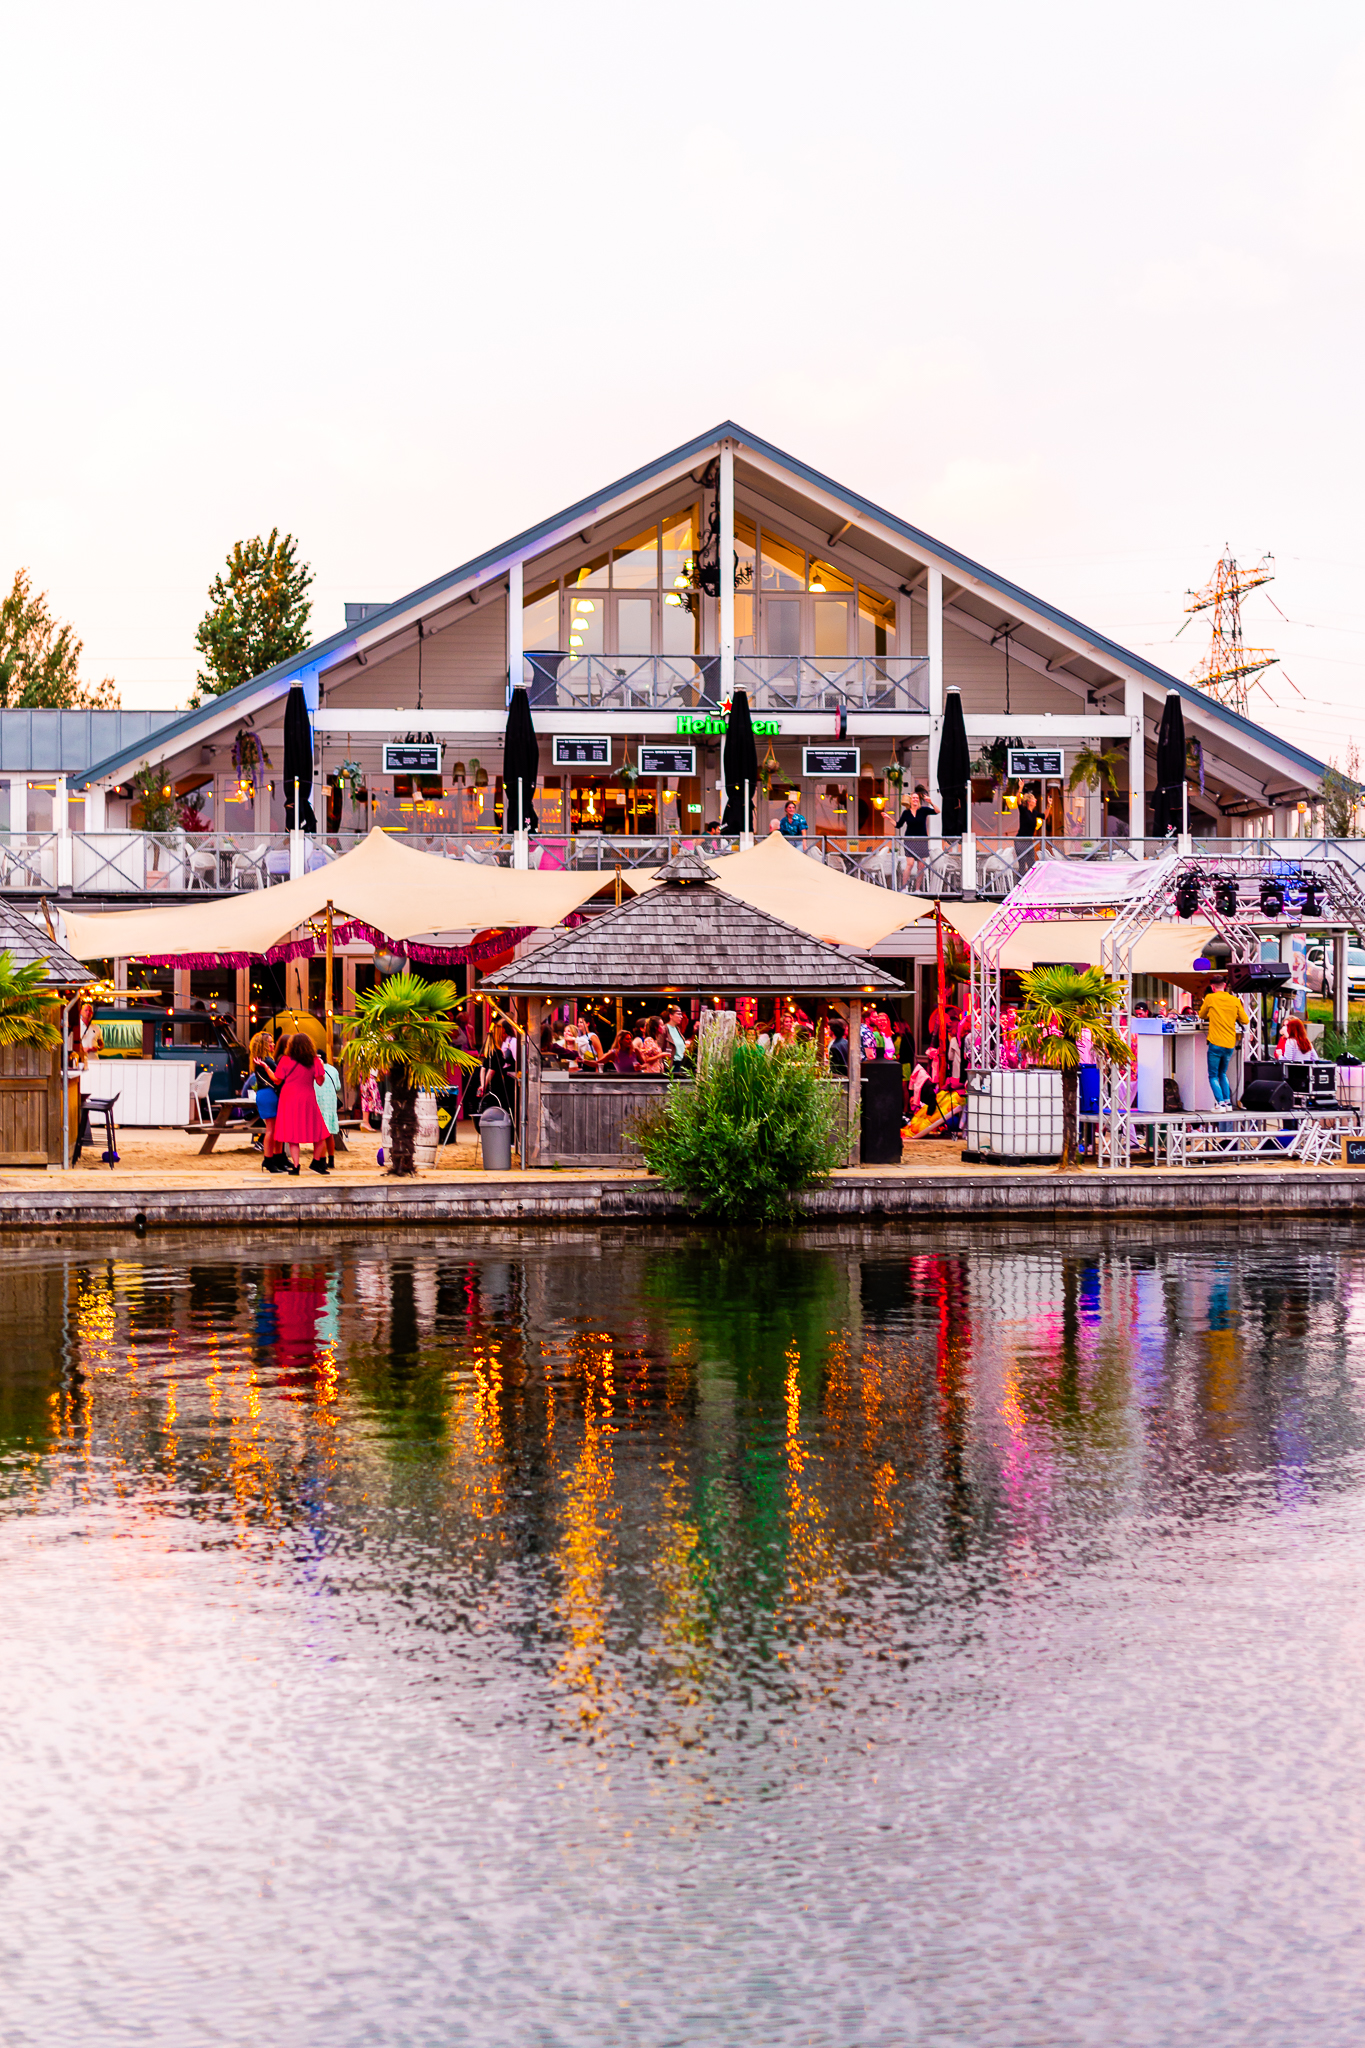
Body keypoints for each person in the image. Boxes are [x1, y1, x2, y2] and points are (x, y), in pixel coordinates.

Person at [268, 1032, 330, 1173]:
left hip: (288, 1098)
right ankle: (316, 1161)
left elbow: (277, 1080)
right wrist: (321, 1068)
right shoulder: (314, 1061)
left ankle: (296, 1166)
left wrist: (266, 1069)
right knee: (320, 1132)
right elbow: (320, 1082)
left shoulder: (285, 1060)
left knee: (293, 1134)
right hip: (308, 1097)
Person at [1197, 977, 1249, 1107]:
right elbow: (1245, 1020)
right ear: (1225, 985)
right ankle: (1227, 1102)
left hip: (1216, 1042)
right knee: (1222, 1073)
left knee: (1213, 1075)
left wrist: (1212, 1014)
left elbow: (1202, 1015)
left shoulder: (1210, 998)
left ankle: (1220, 1103)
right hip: (1230, 1043)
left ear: (1212, 987)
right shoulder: (1234, 1000)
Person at [249, 1027, 281, 1163]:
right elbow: (279, 1077)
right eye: (270, 1042)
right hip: (270, 1094)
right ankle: (269, 1159)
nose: (273, 1044)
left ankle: (271, 1159)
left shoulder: (258, 1060)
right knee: (272, 1130)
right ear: (264, 1045)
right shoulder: (268, 1061)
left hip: (263, 1094)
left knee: (271, 1129)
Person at [895, 784, 937, 880]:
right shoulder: (906, 813)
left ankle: (918, 888)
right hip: (910, 841)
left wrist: (931, 802)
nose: (915, 799)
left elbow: (937, 811)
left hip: (922, 841)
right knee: (910, 864)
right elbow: (898, 825)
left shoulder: (924, 810)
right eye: (913, 798)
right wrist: (889, 818)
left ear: (919, 800)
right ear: (910, 800)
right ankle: (904, 886)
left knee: (921, 866)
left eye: (916, 798)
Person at [313, 1051, 341, 1173]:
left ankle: (320, 1159)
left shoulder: (314, 1069)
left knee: (319, 1135)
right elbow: (338, 1087)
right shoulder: (333, 1070)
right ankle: (331, 1159)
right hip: (331, 1103)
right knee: (329, 1134)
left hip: (318, 1102)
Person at [1014, 789, 1041, 872]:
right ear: (1029, 802)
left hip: (1029, 840)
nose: (1036, 800)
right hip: (1020, 840)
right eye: (1033, 799)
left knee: (1031, 862)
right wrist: (1020, 789)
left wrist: (1049, 805)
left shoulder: (1035, 813)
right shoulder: (1024, 811)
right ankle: (1021, 879)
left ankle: (1031, 878)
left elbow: (1044, 816)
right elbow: (1018, 801)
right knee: (1022, 862)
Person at [664, 1006, 691, 1072]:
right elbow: (659, 1047)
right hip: (671, 1063)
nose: (681, 1017)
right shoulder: (664, 1029)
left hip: (681, 1062)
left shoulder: (677, 1029)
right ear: (671, 1016)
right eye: (678, 1014)